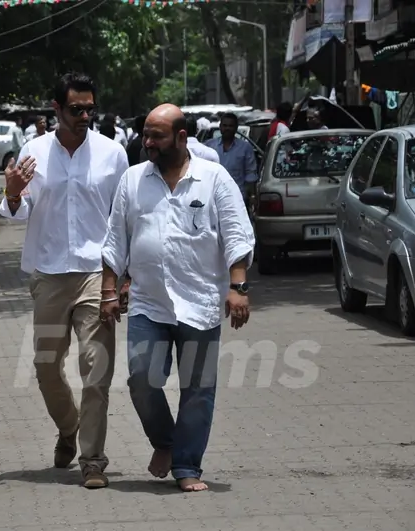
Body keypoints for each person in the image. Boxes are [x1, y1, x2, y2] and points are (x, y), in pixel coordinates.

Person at [100, 103, 254, 493]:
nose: (147, 142)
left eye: (157, 136)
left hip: (199, 302)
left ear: (182, 138)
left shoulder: (213, 178)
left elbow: (237, 234)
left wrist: (237, 288)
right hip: (149, 302)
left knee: (198, 388)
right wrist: (108, 292)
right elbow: (115, 240)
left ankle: (187, 466)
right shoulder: (133, 180)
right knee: (141, 379)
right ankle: (166, 442)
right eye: (146, 134)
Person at [0, 72, 129, 489]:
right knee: (46, 367)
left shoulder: (113, 154)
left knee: (96, 368)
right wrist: (14, 193)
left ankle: (92, 459)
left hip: (97, 274)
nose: (85, 116)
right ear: (57, 110)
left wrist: (125, 278)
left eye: (90, 108)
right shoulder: (33, 152)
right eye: (76, 109)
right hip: (50, 275)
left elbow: (124, 219)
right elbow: (15, 212)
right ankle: (68, 427)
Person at [205, 112, 258, 201]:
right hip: (213, 197)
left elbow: (250, 174)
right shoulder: (209, 146)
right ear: (220, 127)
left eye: (231, 126)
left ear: (236, 128)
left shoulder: (245, 148)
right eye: (225, 125)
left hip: (237, 198)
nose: (227, 128)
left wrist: (252, 197)